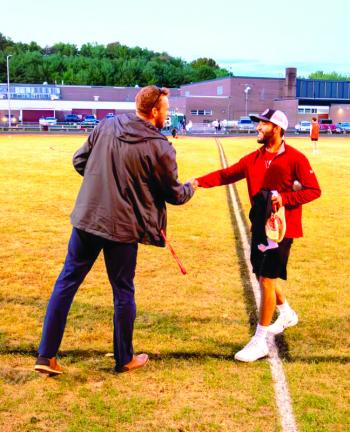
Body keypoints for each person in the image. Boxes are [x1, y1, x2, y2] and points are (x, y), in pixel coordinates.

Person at [34, 85, 195, 375]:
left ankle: (46, 356)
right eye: (166, 110)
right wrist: (192, 187)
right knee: (122, 291)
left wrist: (104, 182)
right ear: (154, 111)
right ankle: (124, 359)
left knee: (67, 282)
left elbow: (79, 160)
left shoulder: (106, 126)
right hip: (121, 228)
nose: (167, 115)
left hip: (88, 219)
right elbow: (174, 194)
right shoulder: (160, 146)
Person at [194, 109, 321, 362]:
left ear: (277, 128)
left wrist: (284, 198)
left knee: (266, 278)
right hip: (260, 227)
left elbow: (313, 190)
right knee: (264, 275)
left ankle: (260, 340)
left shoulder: (296, 158)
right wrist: (197, 182)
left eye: (263, 124)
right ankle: (286, 313)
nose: (258, 128)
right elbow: (225, 174)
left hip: (282, 229)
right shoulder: (253, 158)